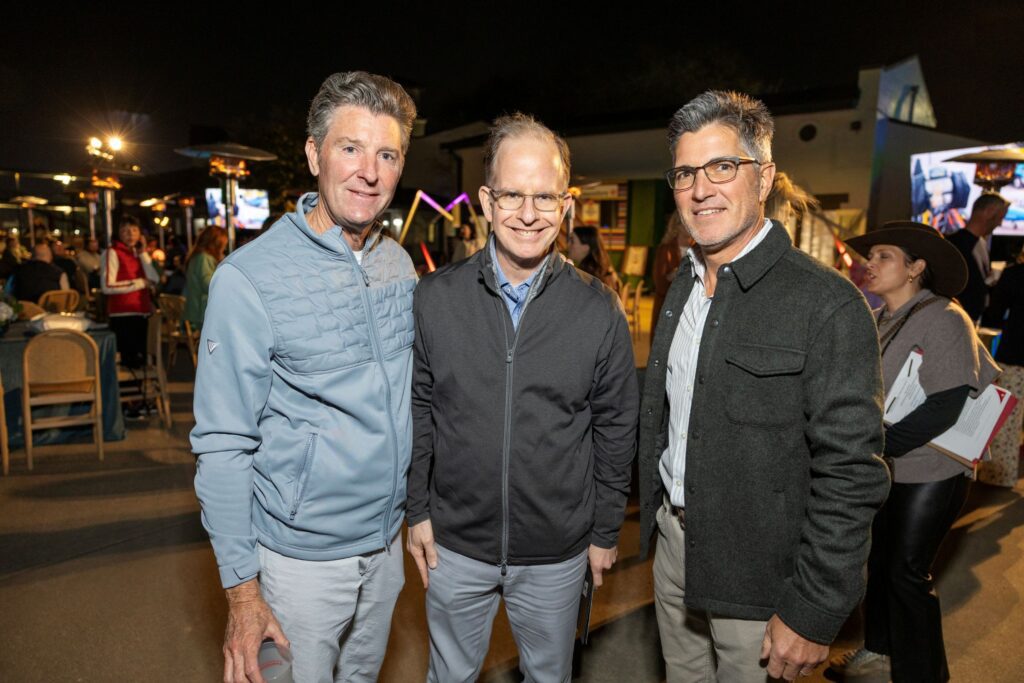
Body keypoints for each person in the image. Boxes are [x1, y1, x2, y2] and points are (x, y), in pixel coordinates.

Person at [638, 90, 891, 682]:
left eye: (722, 167)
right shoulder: (681, 286)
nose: (701, 189)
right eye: (685, 173)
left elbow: (851, 472)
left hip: (762, 575)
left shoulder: (826, 303)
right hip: (673, 549)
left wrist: (814, 607)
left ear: (765, 176)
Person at [191, 71, 418, 683]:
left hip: (386, 547)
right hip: (299, 562)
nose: (369, 172)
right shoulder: (249, 279)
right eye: (351, 148)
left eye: (387, 155)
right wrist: (242, 591)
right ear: (315, 155)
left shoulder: (398, 264)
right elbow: (222, 444)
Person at [407, 113, 639, 683]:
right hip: (455, 546)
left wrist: (605, 530)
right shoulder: (435, 298)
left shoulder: (597, 309)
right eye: (512, 194)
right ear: (486, 201)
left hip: (557, 553)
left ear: (566, 205)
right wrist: (416, 511)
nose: (529, 214)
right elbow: (418, 410)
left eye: (544, 197)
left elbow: (616, 426)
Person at [834, 221, 999, 681]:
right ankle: (879, 652)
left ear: (915, 268)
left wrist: (875, 447)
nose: (870, 264)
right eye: (870, 256)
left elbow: (946, 405)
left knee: (907, 572)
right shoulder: (880, 319)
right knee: (879, 565)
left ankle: (923, 674)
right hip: (888, 467)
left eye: (883, 256)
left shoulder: (944, 317)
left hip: (931, 470)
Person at [980, 250, 1024, 487]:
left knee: (1006, 421)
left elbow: (994, 315)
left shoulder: (1015, 275)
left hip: (1016, 356)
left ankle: (999, 476)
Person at [101, 216, 159, 369]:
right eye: (125, 231)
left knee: (139, 362)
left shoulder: (137, 253)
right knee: (130, 364)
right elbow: (107, 286)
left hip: (141, 312)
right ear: (118, 233)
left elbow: (154, 278)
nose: (130, 234)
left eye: (134, 230)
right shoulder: (112, 252)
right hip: (123, 314)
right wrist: (141, 283)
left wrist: (143, 253)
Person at [946, 193, 1011, 323]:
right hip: (955, 319)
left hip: (973, 319)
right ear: (989, 212)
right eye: (1000, 217)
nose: (1000, 223)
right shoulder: (953, 245)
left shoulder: (981, 243)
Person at [650, 213, 689, 338]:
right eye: (686, 221)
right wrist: (673, 275)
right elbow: (659, 284)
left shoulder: (700, 249)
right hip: (668, 305)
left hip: (690, 308)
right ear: (677, 226)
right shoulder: (666, 249)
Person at [182, 225, 227, 330]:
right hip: (201, 314)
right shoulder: (204, 258)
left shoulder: (197, 256)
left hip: (195, 311)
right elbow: (208, 284)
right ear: (216, 244)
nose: (224, 248)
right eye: (223, 245)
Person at [568, 224, 622, 293]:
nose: (568, 244)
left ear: (586, 247)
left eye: (572, 241)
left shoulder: (587, 277)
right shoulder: (603, 270)